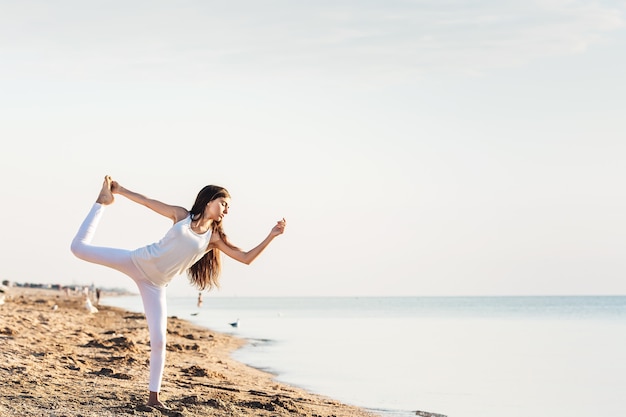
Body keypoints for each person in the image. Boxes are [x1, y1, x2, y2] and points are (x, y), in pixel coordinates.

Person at [70, 175, 286, 408]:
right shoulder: (182, 216)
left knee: (160, 341)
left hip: (155, 286)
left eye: (228, 207)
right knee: (78, 249)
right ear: (209, 201)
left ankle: (154, 398)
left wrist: (271, 236)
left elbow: (245, 258)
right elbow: (147, 201)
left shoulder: (214, 238)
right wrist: (119, 190)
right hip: (136, 261)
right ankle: (101, 203)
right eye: (224, 204)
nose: (226, 210)